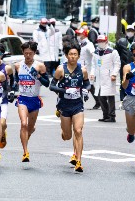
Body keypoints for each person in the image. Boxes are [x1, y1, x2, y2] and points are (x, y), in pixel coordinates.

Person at [49, 42, 89, 172]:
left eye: (75, 54)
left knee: (78, 130)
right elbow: (52, 86)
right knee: (67, 136)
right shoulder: (61, 69)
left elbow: (87, 84)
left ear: (78, 56)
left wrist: (85, 90)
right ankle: (64, 131)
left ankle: (78, 161)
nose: (73, 57)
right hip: (64, 105)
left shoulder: (82, 70)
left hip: (77, 104)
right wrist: (65, 91)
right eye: (70, 54)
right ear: (66, 55)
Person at [14, 41, 49, 162]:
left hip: (34, 99)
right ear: (23, 53)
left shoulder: (40, 66)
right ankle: (25, 152)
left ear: (34, 53)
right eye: (26, 53)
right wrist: (13, 88)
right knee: (23, 123)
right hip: (23, 98)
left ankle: (30, 130)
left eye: (30, 53)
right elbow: (15, 80)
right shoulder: (18, 65)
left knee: (29, 128)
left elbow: (47, 83)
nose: (28, 56)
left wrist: (38, 76)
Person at [0, 43, 15, 150]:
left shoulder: (7, 68)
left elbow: (12, 82)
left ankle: (3, 132)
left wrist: (11, 92)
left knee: (2, 123)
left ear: (2, 54)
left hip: (2, 99)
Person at [91, 35, 121, 122]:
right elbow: (93, 65)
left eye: (102, 41)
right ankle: (105, 115)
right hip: (100, 78)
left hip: (109, 77)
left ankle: (112, 116)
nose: (101, 43)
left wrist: (114, 74)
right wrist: (92, 74)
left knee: (110, 96)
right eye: (99, 41)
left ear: (106, 41)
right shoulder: (96, 52)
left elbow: (117, 64)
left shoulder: (112, 52)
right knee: (101, 96)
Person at [76, 28, 99, 110]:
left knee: (87, 86)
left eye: (79, 34)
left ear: (84, 35)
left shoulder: (89, 44)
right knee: (88, 86)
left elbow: (94, 54)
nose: (78, 36)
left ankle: (81, 102)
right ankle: (98, 101)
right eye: (77, 34)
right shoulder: (80, 44)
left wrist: (95, 67)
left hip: (88, 68)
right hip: (81, 68)